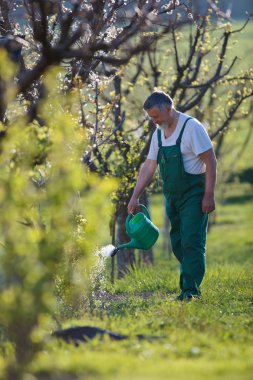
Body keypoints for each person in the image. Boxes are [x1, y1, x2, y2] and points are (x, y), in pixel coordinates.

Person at [127, 91, 217, 301]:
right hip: (173, 195)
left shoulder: (191, 128)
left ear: (169, 109)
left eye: (156, 116)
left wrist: (209, 195)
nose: (154, 120)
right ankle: (189, 283)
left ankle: (190, 292)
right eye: (151, 117)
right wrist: (134, 196)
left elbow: (210, 160)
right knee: (177, 241)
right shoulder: (159, 133)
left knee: (191, 242)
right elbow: (149, 166)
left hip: (194, 194)